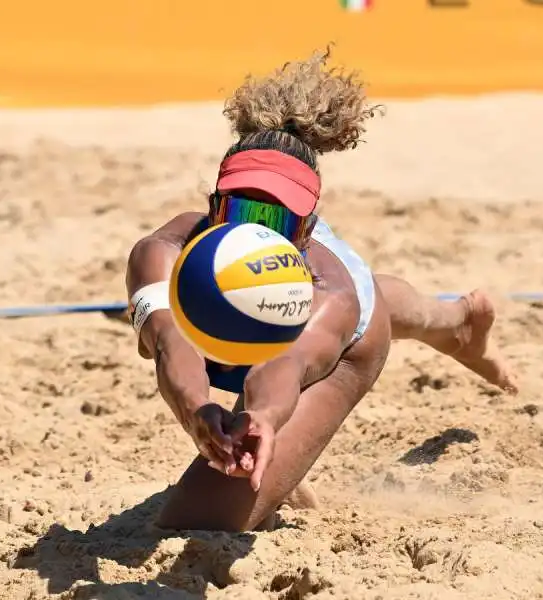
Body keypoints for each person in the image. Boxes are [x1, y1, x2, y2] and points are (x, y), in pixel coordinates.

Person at [125, 48, 517, 533]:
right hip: (296, 294)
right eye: (241, 211)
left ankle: (456, 328)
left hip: (344, 333)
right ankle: (459, 324)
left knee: (200, 522)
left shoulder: (333, 297)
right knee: (359, 295)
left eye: (276, 220)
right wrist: (196, 411)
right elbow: (169, 343)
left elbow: (284, 367)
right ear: (214, 205)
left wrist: (266, 419)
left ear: (307, 230)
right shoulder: (162, 251)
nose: (255, 231)